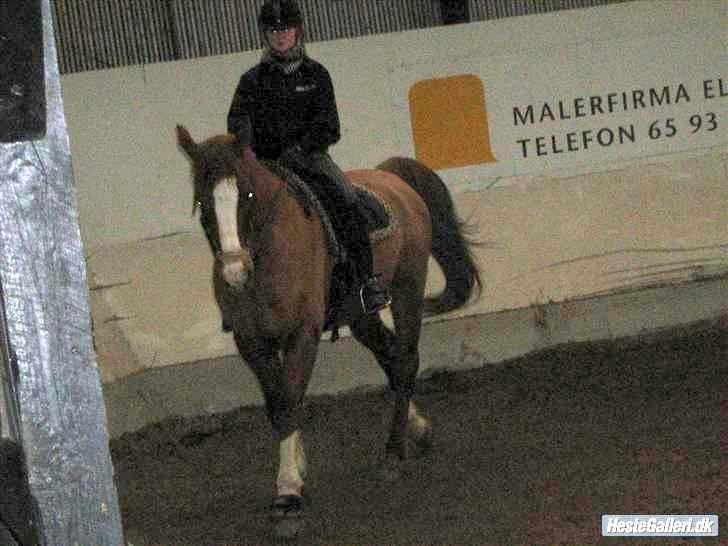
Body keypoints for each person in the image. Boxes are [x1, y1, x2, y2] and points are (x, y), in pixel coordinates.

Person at [226, 0, 391, 316]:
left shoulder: (317, 75)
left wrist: (301, 148)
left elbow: (330, 126)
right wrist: (251, 145)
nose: (280, 36)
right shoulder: (251, 81)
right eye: (273, 31)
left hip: (311, 159)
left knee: (347, 198)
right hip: (265, 164)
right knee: (231, 210)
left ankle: (367, 282)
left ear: (297, 31)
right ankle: (237, 292)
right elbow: (237, 122)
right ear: (265, 35)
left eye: (285, 29)